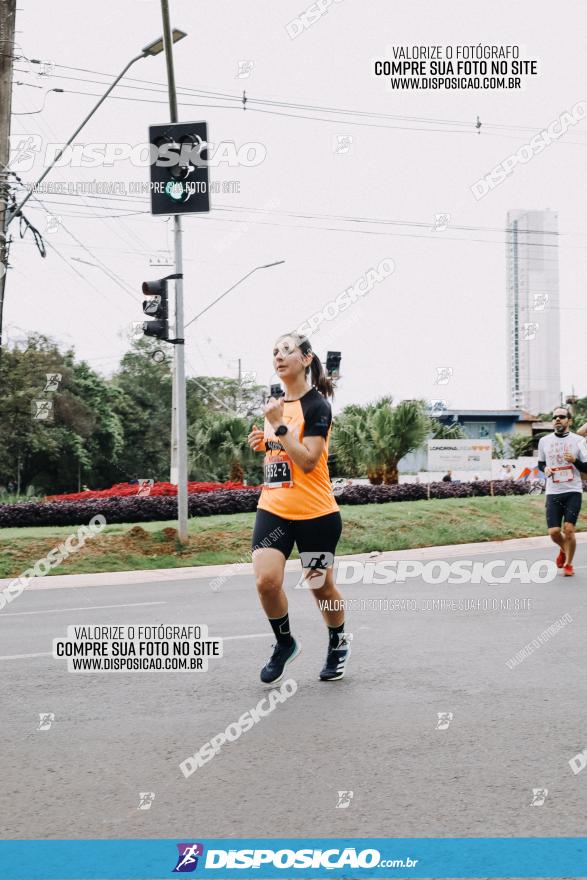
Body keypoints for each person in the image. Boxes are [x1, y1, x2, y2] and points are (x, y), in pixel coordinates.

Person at [247, 332, 349, 684]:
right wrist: (266, 444)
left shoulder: (318, 406)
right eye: (274, 351)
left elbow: (307, 461)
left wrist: (278, 426)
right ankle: (284, 642)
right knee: (265, 581)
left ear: (306, 359)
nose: (279, 356)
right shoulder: (275, 405)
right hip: (273, 508)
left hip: (316, 514)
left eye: (287, 350)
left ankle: (338, 641)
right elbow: (283, 455)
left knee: (320, 585)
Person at [537, 406, 587, 576]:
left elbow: (586, 468)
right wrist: (545, 470)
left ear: (569, 421)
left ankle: (568, 564)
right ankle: (564, 549)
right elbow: (541, 463)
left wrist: (575, 461)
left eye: (562, 416)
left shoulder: (578, 441)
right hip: (553, 491)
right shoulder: (544, 441)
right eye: (555, 417)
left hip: (573, 489)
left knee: (569, 529)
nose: (557, 419)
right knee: (554, 532)